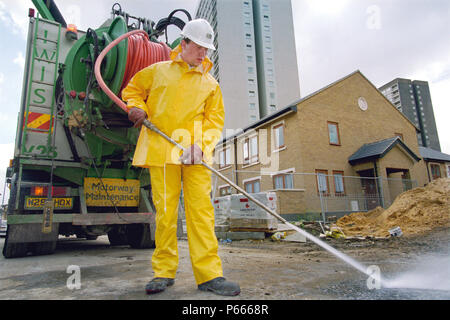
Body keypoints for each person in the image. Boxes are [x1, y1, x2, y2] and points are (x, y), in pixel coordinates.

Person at [122, 19, 240, 296]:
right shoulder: (158, 72)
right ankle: (163, 272)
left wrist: (200, 146)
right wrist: (136, 108)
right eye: (198, 47)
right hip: (163, 154)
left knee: (201, 213)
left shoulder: (211, 85)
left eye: (206, 50)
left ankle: (210, 276)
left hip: (195, 156)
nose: (202, 54)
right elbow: (132, 90)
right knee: (165, 215)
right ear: (183, 43)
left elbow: (214, 121)